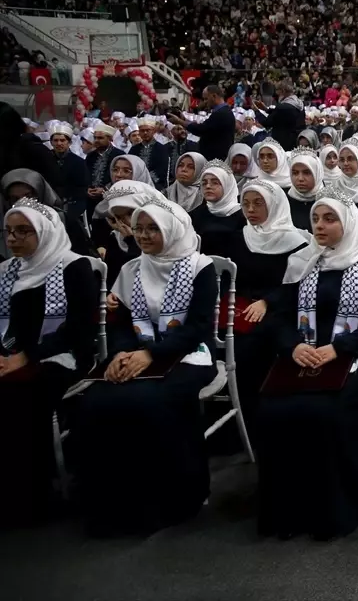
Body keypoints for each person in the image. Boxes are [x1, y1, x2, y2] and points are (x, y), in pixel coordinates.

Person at [75, 199, 218, 535]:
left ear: (171, 229)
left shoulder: (200, 266)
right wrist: (122, 354)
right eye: (139, 228)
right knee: (95, 402)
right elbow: (122, 324)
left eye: (153, 228)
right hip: (140, 354)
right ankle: (112, 507)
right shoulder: (132, 269)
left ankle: (171, 501)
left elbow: (198, 326)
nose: (143, 235)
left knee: (150, 402)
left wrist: (151, 354)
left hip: (189, 355)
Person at [257, 189, 358, 539]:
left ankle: (335, 509)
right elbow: (280, 317)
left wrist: (339, 348)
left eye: (329, 219)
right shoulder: (302, 262)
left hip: (353, 356)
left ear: (347, 223)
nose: (319, 226)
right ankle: (287, 511)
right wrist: (293, 347)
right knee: (275, 409)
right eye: (316, 219)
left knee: (328, 411)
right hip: (304, 354)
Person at [0, 198, 98, 523]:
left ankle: (30, 495)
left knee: (22, 393)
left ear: (44, 232)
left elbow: (79, 328)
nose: (12, 239)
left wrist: (27, 356)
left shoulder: (74, 267)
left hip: (64, 353)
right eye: (9, 231)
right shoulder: (7, 271)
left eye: (23, 231)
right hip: (14, 353)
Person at [227, 179, 311, 425]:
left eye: (258, 204)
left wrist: (266, 302)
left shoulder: (296, 242)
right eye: (246, 204)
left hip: (281, 307)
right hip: (243, 305)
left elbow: (296, 285)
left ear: (274, 205)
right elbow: (231, 279)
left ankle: (259, 414)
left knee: (252, 342)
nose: (250, 210)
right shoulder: (239, 237)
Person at [2, 169, 92, 258]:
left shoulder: (62, 220)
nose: (22, 202)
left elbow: (83, 257)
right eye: (15, 199)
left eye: (28, 196)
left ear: (40, 194)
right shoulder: (4, 224)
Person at [190, 160, 246, 258]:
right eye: (204, 183)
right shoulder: (195, 215)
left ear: (227, 185)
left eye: (215, 182)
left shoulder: (243, 217)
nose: (208, 186)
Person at [174, 86, 236, 162]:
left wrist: (179, 121)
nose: (205, 102)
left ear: (214, 96)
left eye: (206, 99)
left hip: (216, 160)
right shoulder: (222, 111)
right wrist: (184, 120)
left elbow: (202, 129)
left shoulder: (221, 113)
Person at [47, 121, 89, 221]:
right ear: (51, 142)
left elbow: (82, 186)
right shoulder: (46, 159)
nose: (59, 143)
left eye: (62, 140)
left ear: (69, 142)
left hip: (72, 201)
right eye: (55, 140)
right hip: (50, 200)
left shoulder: (78, 162)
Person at [252, 81, 305, 150]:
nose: (276, 93)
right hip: (297, 141)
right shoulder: (299, 103)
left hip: (284, 144)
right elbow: (280, 115)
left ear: (282, 91)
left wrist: (256, 111)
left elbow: (266, 123)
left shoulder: (283, 107)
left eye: (277, 90)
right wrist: (266, 109)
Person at [286, 147, 324, 231]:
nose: (300, 178)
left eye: (306, 173)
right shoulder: (285, 201)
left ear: (317, 173)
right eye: (295, 173)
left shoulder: (327, 200)